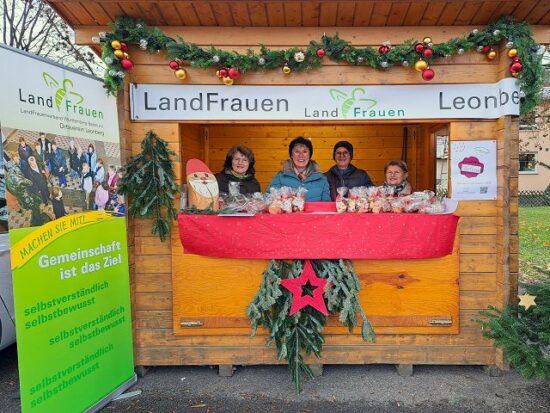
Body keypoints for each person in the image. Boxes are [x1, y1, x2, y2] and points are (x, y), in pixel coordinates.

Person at [267, 136, 330, 201]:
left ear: (310, 155)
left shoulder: (322, 179)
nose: (301, 155)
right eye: (297, 152)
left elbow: (326, 206)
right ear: (291, 155)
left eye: (305, 152)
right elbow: (269, 202)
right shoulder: (280, 178)